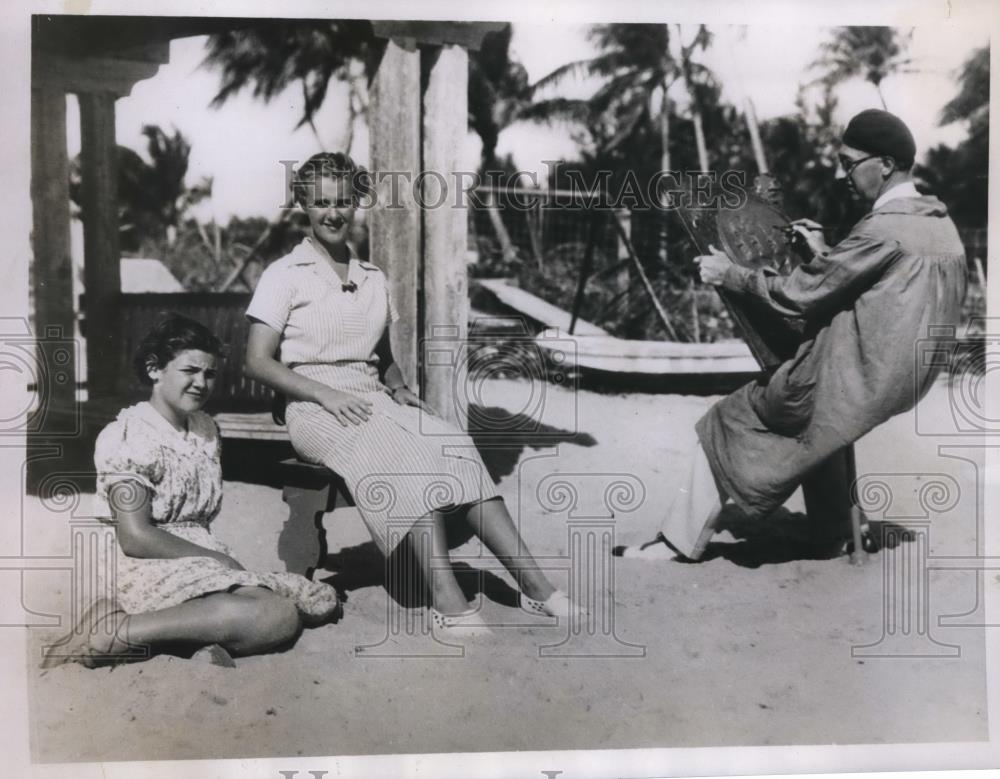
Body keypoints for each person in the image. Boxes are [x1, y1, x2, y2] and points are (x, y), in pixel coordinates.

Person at [244, 152, 578, 635]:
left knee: (455, 444)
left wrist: (399, 388)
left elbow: (381, 352)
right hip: (313, 406)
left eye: (343, 201)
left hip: (372, 397)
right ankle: (448, 602)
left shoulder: (372, 277)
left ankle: (537, 588)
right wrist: (324, 395)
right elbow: (256, 361)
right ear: (303, 205)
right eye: (321, 203)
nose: (333, 213)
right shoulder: (284, 274)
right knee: (398, 454)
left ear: (357, 202)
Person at [619, 109, 968, 561]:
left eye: (849, 163)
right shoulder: (938, 222)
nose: (842, 174)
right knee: (821, 427)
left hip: (856, 376)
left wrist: (733, 274)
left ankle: (673, 544)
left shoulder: (883, 229)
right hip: (904, 379)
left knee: (729, 420)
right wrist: (825, 253)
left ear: (883, 164)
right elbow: (878, 284)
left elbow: (800, 294)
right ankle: (833, 532)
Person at [42, 315, 341, 669]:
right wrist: (216, 560)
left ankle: (155, 634)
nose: (201, 383)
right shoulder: (129, 435)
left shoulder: (205, 429)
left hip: (194, 557)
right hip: (143, 562)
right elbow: (135, 536)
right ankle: (119, 630)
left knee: (315, 599)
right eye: (190, 370)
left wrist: (212, 558)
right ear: (155, 369)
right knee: (277, 615)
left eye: (210, 373)